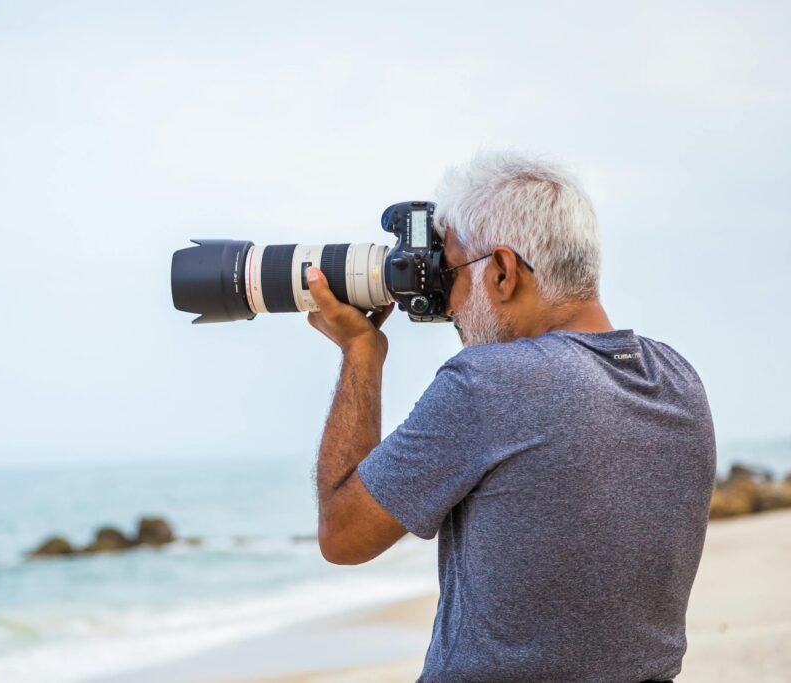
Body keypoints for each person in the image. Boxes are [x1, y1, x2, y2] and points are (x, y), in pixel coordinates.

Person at [304, 151, 716, 683]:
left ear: (503, 272)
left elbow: (343, 535)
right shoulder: (678, 379)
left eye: (449, 274)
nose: (445, 303)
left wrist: (361, 352)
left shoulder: (492, 383)